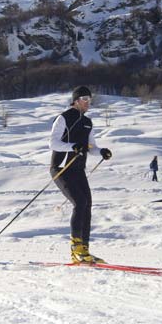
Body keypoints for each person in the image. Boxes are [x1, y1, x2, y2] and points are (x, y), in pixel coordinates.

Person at [49, 86, 112, 264]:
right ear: (75, 100)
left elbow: (90, 148)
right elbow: (53, 143)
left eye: (90, 99)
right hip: (61, 167)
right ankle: (76, 249)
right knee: (80, 202)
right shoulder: (64, 118)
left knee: (88, 205)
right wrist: (73, 146)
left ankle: (84, 250)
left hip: (78, 169)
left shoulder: (88, 122)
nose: (88, 102)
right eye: (84, 98)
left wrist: (101, 152)